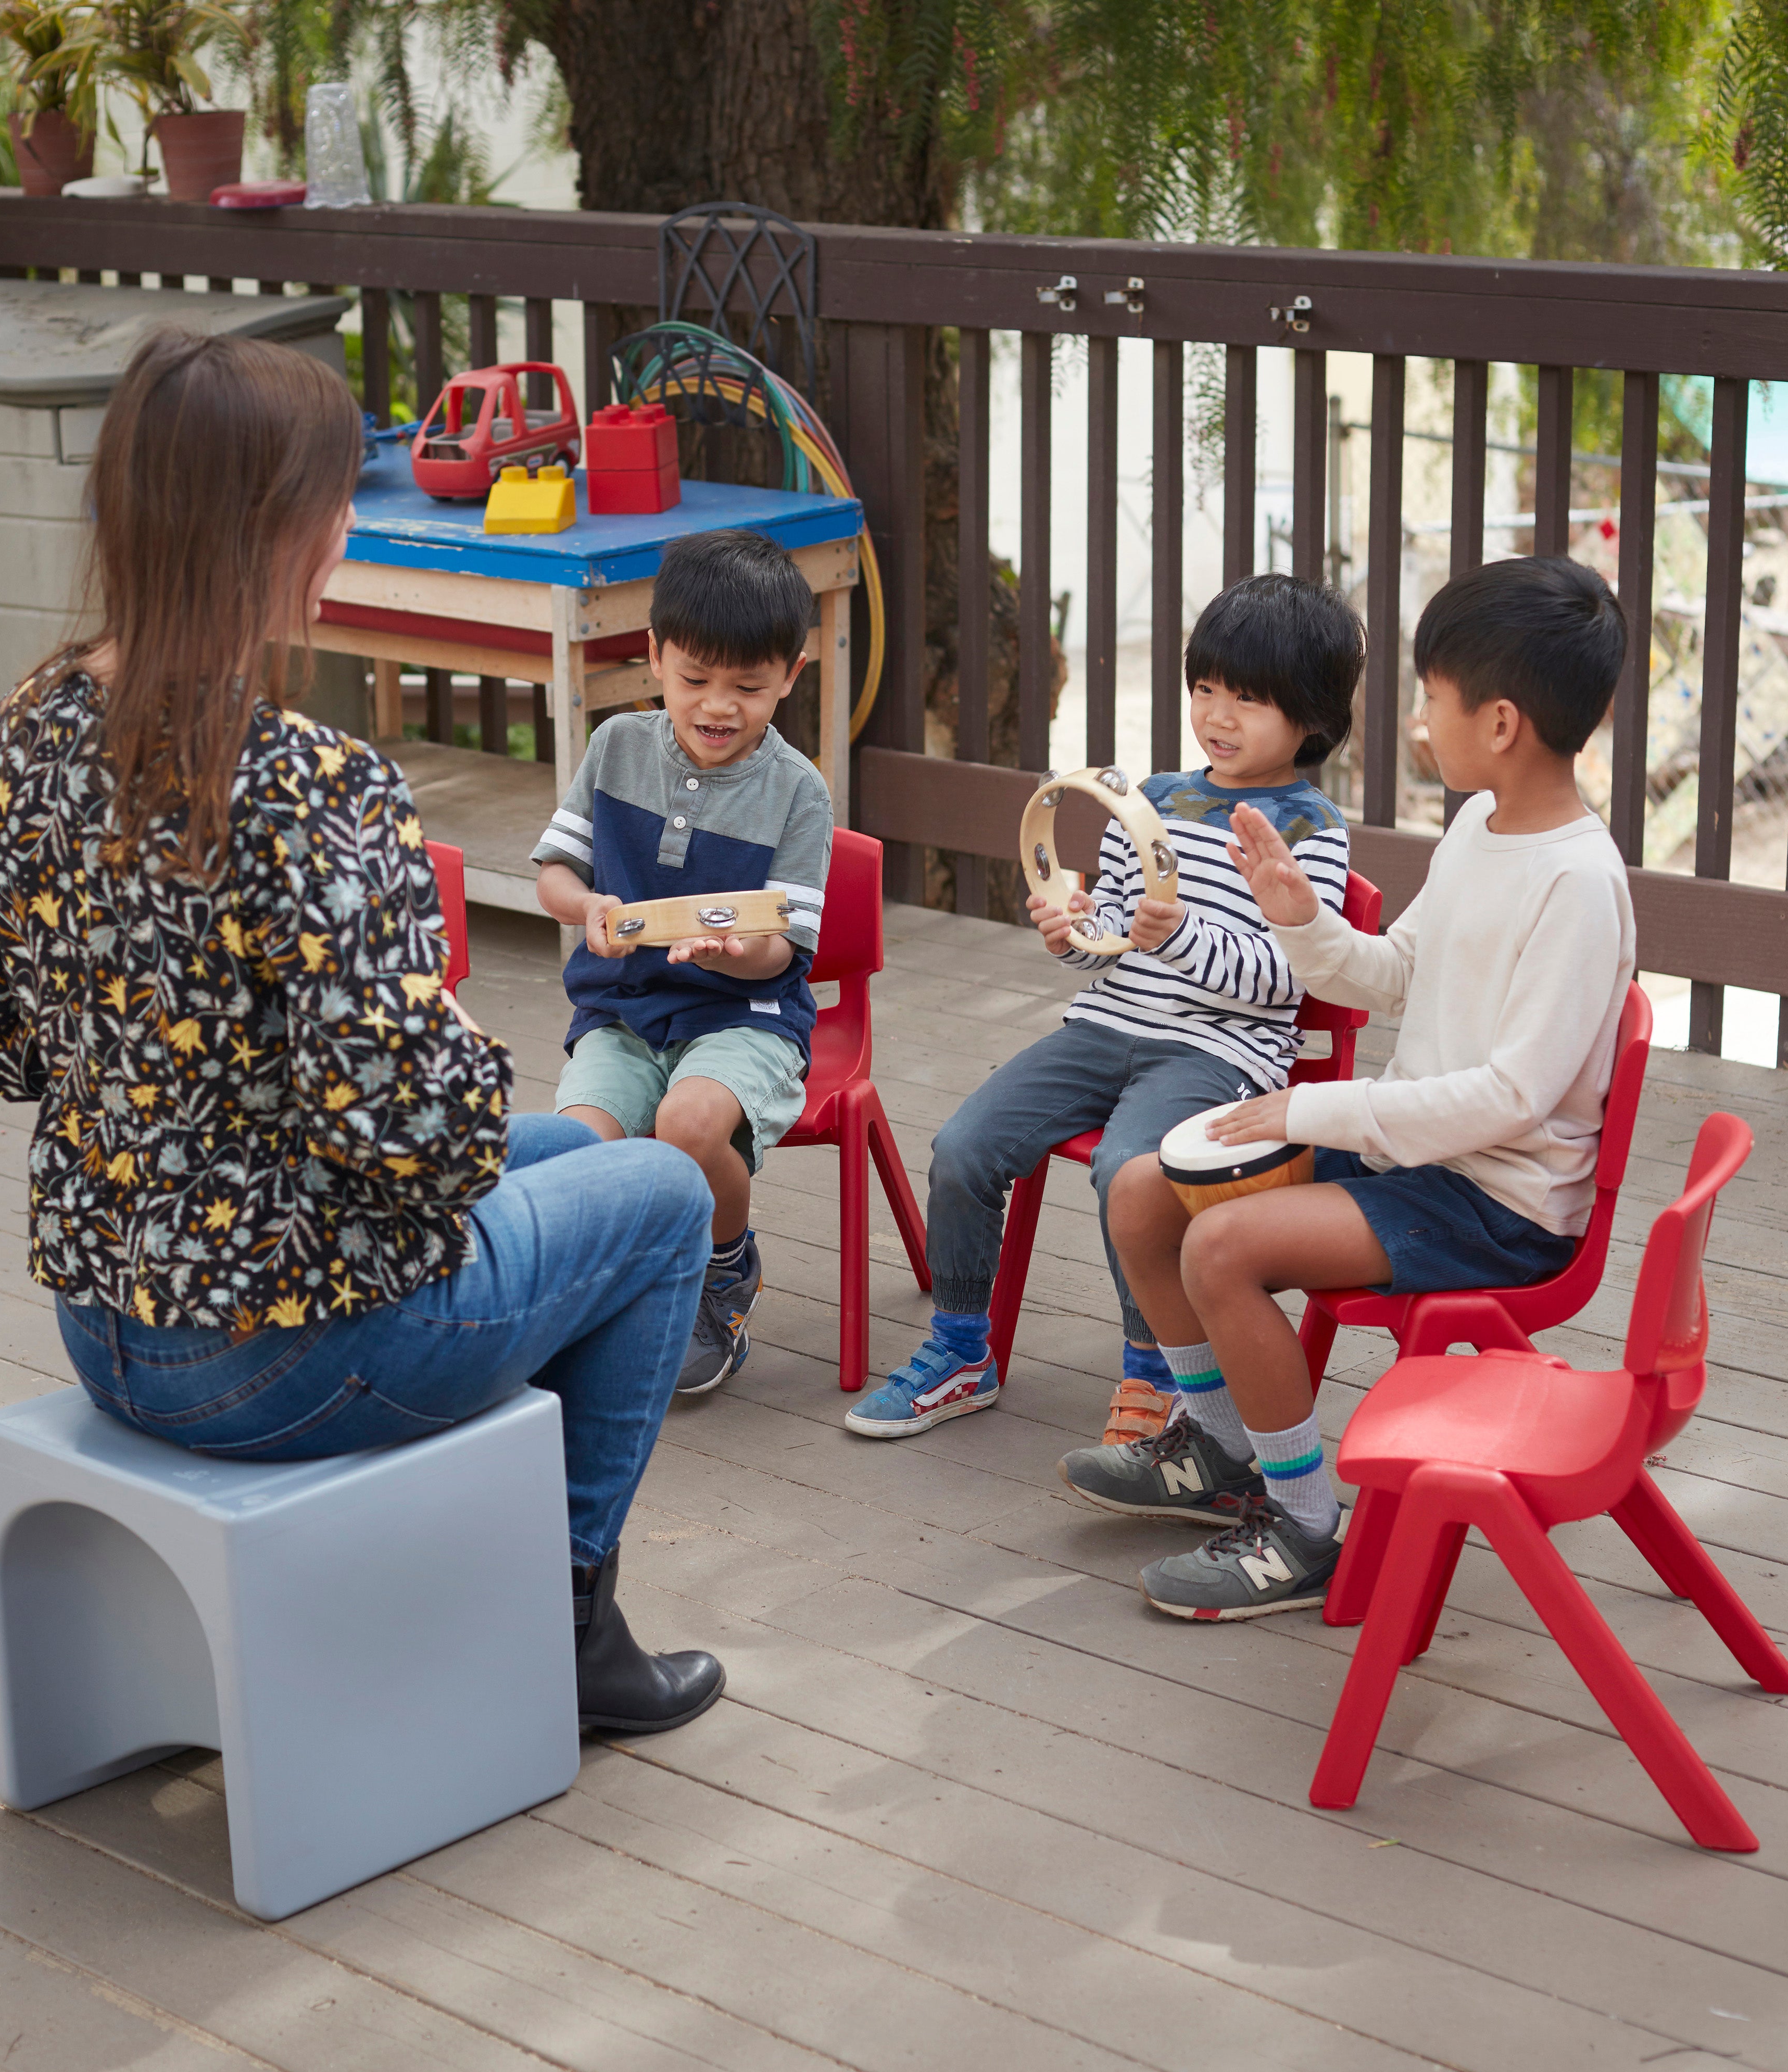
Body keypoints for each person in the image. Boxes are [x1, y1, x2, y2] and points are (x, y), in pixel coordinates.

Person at [0, 325, 724, 1736]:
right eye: (329, 495)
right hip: (286, 1354)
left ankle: (472, 1559)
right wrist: (451, 1046)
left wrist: (160, 1073)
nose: (349, 520)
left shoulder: (17, 733)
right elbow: (408, 1130)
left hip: (104, 1319)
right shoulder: (307, 780)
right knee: (660, 1190)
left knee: (563, 1147)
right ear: (271, 532)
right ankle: (568, 1615)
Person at [1066, 555, 1634, 1622]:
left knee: (1219, 1246)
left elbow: (1511, 1095)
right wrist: (1298, 915)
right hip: (1413, 1151)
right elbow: (1393, 971)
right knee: (1142, 1191)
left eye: (1432, 697)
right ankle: (1224, 1454)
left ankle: (1302, 1525)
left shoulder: (1576, 882)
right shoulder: (1478, 825)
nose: (1420, 720)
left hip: (1494, 1203)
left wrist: (1310, 1108)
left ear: (1500, 720)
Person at [843, 573, 1359, 1441]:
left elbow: (1290, 979)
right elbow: (1115, 937)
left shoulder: (1313, 832)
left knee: (1130, 1170)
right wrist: (1071, 932)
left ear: (1311, 717)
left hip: (1219, 1056)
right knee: (965, 1145)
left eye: (1248, 700)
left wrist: (1179, 935)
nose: (1218, 717)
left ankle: (1154, 1365)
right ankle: (962, 1347)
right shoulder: (1151, 802)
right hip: (1109, 1025)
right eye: (1206, 690)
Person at [531, 530, 834, 1395]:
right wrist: (586, 907)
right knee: (575, 1153)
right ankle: (611, 1292)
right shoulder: (617, 748)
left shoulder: (798, 792)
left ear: (790, 676)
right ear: (654, 655)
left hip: (745, 1016)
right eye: (696, 679)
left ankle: (724, 1268)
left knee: (690, 1126)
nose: (718, 706)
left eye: (748, 686)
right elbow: (556, 873)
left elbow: (783, 949)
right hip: (624, 1011)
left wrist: (740, 954)